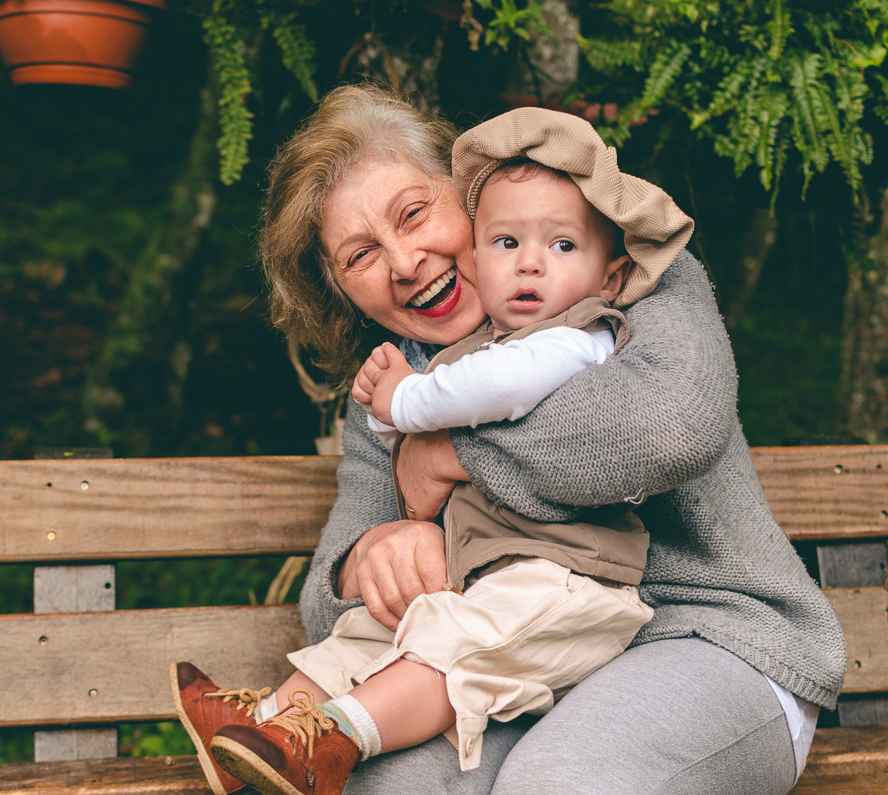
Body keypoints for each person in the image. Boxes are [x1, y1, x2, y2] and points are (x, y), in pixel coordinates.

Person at [172, 83, 847, 795]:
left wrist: (454, 456)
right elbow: (326, 599)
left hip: (708, 638)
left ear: (466, 192)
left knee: (556, 783)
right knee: (378, 785)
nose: (405, 262)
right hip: (513, 669)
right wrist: (373, 556)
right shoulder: (394, 384)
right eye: (362, 255)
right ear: (342, 293)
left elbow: (668, 429)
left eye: (413, 213)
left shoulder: (629, 271)